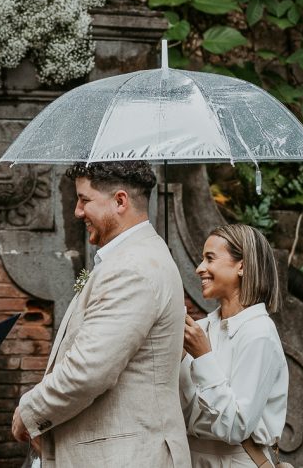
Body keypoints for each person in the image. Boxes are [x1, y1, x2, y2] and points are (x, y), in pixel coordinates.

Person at [11, 161, 191, 467]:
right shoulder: (134, 256)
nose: (78, 212)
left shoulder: (132, 268)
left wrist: (30, 412)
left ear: (120, 201)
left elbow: (88, 371)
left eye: (84, 200)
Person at [180, 224, 288, 467]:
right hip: (191, 457)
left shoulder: (259, 333)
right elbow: (185, 412)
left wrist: (203, 357)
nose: (199, 269)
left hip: (237, 460)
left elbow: (236, 427)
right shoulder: (204, 328)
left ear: (242, 266)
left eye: (210, 258)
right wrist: (180, 359)